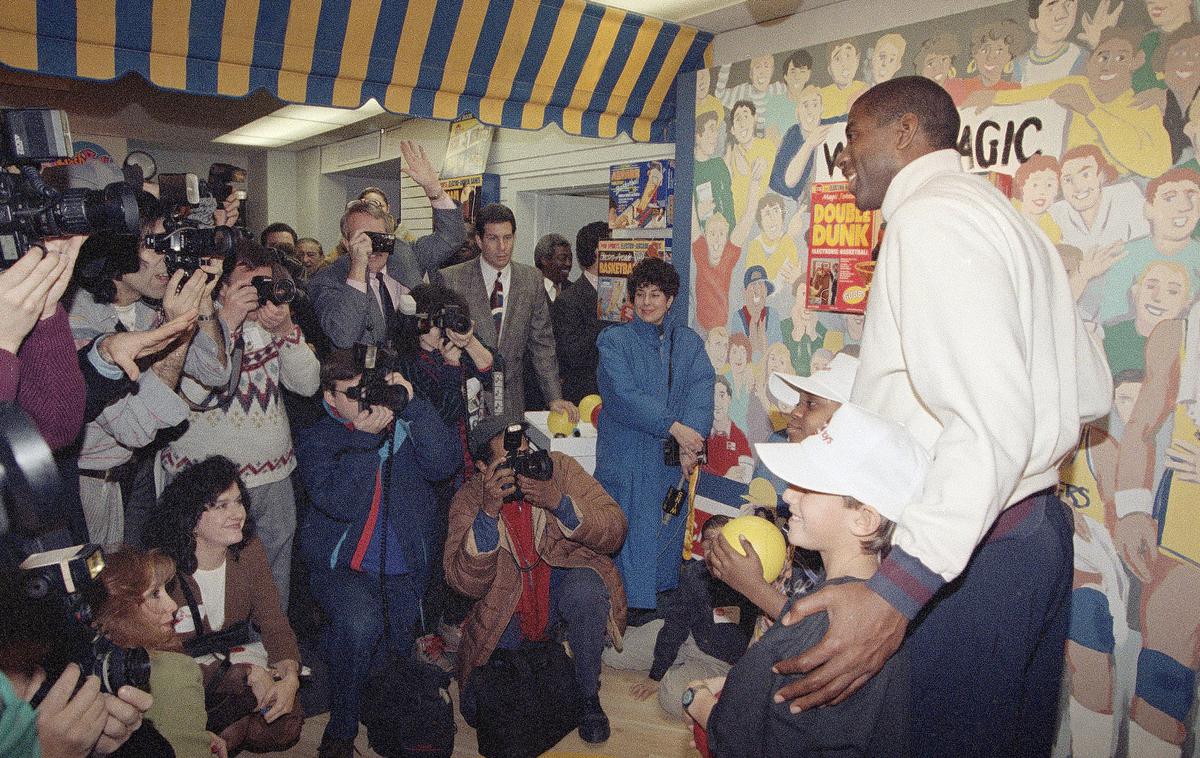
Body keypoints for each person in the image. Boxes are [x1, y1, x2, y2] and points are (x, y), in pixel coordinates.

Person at [771, 76, 1111, 756]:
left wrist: (899, 588)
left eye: (854, 138)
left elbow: (990, 420)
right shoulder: (1003, 217)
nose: (844, 159)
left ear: (904, 133)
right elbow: (1089, 391)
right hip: (1030, 532)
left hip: (972, 558)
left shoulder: (930, 218)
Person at [688, 403, 927, 757]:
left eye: (809, 487)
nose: (787, 495)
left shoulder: (809, 631)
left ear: (864, 519)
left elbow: (741, 741)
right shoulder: (885, 621)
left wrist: (698, 702)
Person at [295, 350, 460, 758]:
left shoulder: (404, 423)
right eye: (355, 393)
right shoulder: (317, 438)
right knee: (360, 626)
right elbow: (339, 501)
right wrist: (366, 441)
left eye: (373, 389)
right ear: (330, 397)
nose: (368, 400)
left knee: (395, 655)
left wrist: (414, 404)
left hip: (403, 565)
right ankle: (341, 729)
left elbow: (445, 464)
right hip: (343, 567)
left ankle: (387, 722)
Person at [445, 416, 628, 744]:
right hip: (506, 610)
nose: (522, 466)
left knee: (586, 591)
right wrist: (488, 514)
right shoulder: (469, 499)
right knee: (479, 707)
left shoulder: (557, 468)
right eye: (509, 462)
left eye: (526, 452)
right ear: (483, 468)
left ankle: (588, 695)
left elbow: (615, 528)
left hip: (557, 595)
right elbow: (463, 583)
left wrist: (559, 503)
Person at [159, 241, 321, 609]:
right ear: (221, 286)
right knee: (197, 576)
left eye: (265, 284)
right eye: (248, 285)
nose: (259, 295)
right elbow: (196, 391)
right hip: (202, 480)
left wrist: (287, 330)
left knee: (272, 577)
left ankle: (272, 653)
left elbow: (308, 384)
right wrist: (227, 324)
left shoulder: (272, 324)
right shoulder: (191, 320)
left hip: (272, 477)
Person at [70, 192, 230, 546]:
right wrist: (177, 331)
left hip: (138, 478)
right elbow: (136, 430)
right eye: (155, 246)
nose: (166, 260)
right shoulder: (76, 319)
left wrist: (202, 301)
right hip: (90, 486)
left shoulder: (145, 310)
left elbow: (217, 373)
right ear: (117, 249)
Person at [145, 456, 304, 756]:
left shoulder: (249, 551)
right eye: (221, 505)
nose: (238, 514)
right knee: (231, 729)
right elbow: (159, 660)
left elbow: (274, 623)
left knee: (285, 723)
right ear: (191, 517)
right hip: (182, 676)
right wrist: (240, 674)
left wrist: (290, 676)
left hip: (232, 662)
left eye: (239, 501)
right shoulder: (162, 567)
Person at [595, 257, 714, 612]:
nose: (647, 302)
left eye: (656, 294)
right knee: (625, 538)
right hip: (626, 460)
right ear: (630, 299)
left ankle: (656, 618)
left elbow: (701, 389)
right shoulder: (613, 342)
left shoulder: (688, 344)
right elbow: (624, 396)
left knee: (664, 536)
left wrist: (692, 442)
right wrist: (675, 429)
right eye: (641, 294)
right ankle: (619, 615)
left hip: (669, 464)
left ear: (671, 299)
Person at [309, 141, 464, 349]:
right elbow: (343, 336)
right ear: (346, 243)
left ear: (390, 236)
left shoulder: (405, 255)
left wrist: (433, 189)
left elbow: (452, 237)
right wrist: (357, 267)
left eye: (379, 238)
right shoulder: (328, 280)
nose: (371, 247)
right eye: (362, 239)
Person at [602, 514, 756, 717]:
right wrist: (656, 674)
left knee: (672, 700)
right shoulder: (694, 575)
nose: (714, 550)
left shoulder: (752, 581)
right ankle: (653, 645)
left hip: (715, 660)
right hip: (684, 637)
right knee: (611, 655)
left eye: (721, 542)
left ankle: (681, 673)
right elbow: (676, 625)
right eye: (708, 543)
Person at [439, 203, 578, 420]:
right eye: (493, 238)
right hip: (466, 397)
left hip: (512, 398)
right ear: (479, 240)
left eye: (508, 238)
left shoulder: (531, 279)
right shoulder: (452, 279)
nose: (502, 247)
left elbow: (542, 344)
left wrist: (554, 397)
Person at [93, 548, 226, 758]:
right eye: (155, 594)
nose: (172, 605)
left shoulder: (100, 667)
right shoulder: (174, 669)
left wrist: (195, 736)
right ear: (121, 611)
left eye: (166, 590)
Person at [551, 221, 608, 404]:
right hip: (586, 396)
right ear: (598, 252)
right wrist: (610, 316)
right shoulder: (569, 300)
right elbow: (572, 355)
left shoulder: (629, 293)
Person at [534, 233, 573, 302]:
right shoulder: (529, 291)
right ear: (544, 260)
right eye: (562, 258)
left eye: (570, 258)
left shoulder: (575, 291)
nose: (568, 263)